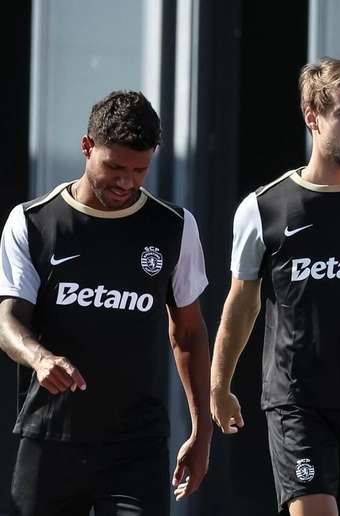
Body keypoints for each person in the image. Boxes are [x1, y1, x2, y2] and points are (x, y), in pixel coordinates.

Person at [0, 90, 212, 515]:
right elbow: (8, 322)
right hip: (51, 437)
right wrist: (40, 359)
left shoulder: (174, 227)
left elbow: (187, 333)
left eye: (140, 169)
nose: (126, 181)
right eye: (114, 166)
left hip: (135, 445)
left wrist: (201, 433)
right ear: (86, 147)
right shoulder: (34, 222)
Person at [209, 57, 340, 516]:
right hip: (297, 399)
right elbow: (242, 301)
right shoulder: (263, 208)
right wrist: (219, 383)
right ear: (313, 117)